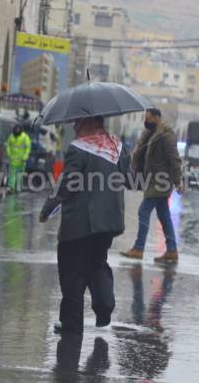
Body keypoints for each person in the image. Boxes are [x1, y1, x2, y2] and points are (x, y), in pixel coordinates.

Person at [39, 116, 131, 335]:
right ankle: (104, 305)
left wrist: (48, 208)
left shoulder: (79, 148)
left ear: (88, 123)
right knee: (97, 262)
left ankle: (71, 324)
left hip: (80, 223)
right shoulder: (118, 147)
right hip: (109, 222)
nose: (74, 125)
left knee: (72, 271)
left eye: (78, 122)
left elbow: (67, 184)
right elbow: (131, 179)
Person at [121, 108, 182, 263]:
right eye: (145, 118)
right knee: (164, 215)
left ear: (156, 117)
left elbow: (174, 159)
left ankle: (138, 248)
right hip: (152, 180)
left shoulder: (166, 135)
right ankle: (172, 250)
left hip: (160, 181)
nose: (146, 121)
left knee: (144, 211)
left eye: (148, 118)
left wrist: (178, 181)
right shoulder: (149, 134)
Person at [6, 124, 31, 192]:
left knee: (19, 175)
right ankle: (11, 187)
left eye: (18, 129)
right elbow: (8, 146)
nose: (17, 130)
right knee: (12, 175)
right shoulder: (11, 136)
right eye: (16, 129)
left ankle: (18, 188)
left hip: (21, 160)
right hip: (13, 160)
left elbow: (28, 148)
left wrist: (25, 156)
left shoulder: (25, 137)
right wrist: (9, 154)